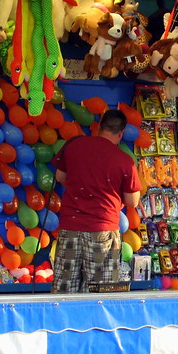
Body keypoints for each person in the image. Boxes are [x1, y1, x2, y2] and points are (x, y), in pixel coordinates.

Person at [51, 109, 141, 293]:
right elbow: (132, 201)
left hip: (70, 227)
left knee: (64, 288)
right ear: (121, 133)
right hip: (103, 230)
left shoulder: (74, 146)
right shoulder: (125, 161)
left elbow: (60, 176)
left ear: (99, 126)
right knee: (102, 290)